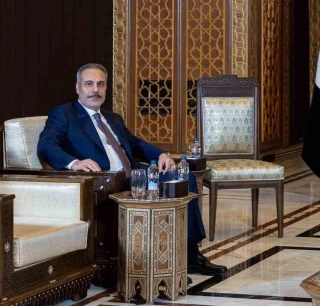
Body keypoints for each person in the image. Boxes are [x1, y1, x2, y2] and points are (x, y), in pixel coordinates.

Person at [37, 63, 227, 276]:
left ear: (106, 88)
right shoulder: (64, 114)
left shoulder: (112, 118)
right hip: (107, 180)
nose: (95, 90)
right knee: (170, 184)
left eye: (100, 84)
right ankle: (156, 260)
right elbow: (46, 146)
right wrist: (74, 163)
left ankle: (191, 255)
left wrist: (161, 155)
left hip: (135, 173)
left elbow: (135, 144)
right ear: (78, 87)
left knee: (184, 178)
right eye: (89, 84)